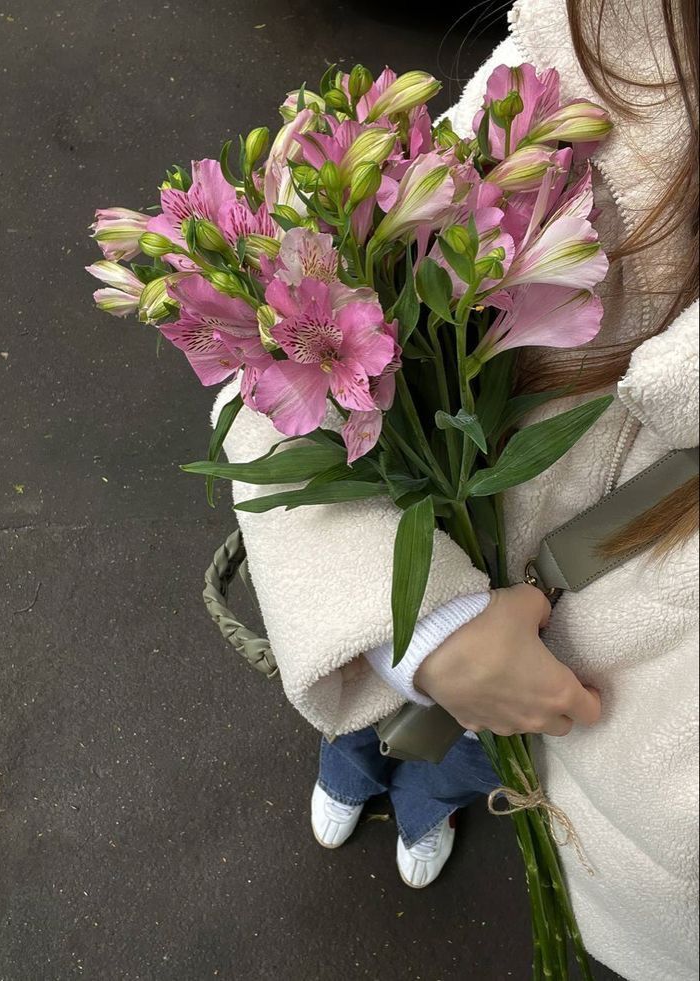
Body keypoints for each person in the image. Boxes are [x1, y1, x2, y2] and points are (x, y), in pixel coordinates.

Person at [213, 0, 699, 977]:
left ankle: (423, 808)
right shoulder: (602, 64)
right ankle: (356, 769)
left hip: (572, 727)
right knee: (370, 726)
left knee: (463, 762)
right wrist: (413, 634)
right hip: (423, 606)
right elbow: (270, 368)